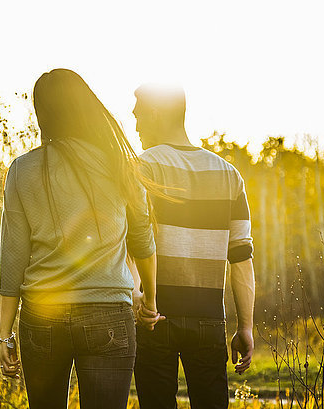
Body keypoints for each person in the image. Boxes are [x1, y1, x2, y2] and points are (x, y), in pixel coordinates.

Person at [0, 69, 162, 409]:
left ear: (43, 114)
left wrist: (4, 333)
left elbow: (13, 257)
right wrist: (151, 299)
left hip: (42, 317)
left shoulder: (23, 170)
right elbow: (143, 242)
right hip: (109, 316)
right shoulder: (121, 166)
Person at [131, 84, 256, 409]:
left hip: (154, 316)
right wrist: (245, 327)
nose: (135, 123)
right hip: (209, 320)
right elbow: (241, 259)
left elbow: (129, 242)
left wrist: (135, 297)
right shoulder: (229, 176)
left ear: (156, 113)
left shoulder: (141, 167)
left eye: (139, 113)